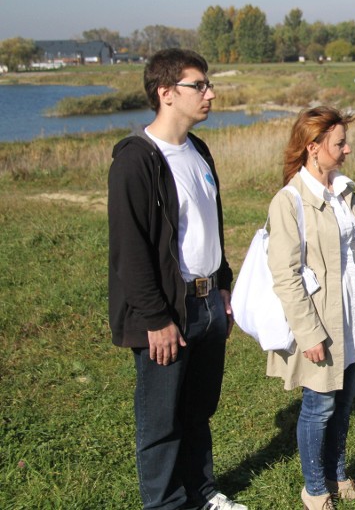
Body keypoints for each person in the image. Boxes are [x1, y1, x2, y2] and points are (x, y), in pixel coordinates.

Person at [108, 49, 245, 510]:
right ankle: (165, 503)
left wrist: (224, 283)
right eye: (198, 85)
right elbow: (131, 251)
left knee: (198, 410)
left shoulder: (198, 150)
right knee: (161, 420)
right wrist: (156, 318)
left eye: (207, 85)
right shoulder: (136, 159)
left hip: (208, 302)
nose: (210, 93)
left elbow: (212, 225)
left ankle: (202, 492)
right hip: (169, 310)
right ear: (166, 93)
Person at [266, 107, 355, 510]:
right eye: (339, 143)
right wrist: (309, 332)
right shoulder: (289, 201)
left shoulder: (344, 190)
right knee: (319, 407)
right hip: (320, 320)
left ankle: (337, 475)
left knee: (344, 402)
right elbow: (285, 274)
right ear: (313, 148)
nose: (347, 149)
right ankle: (314, 489)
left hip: (352, 314)